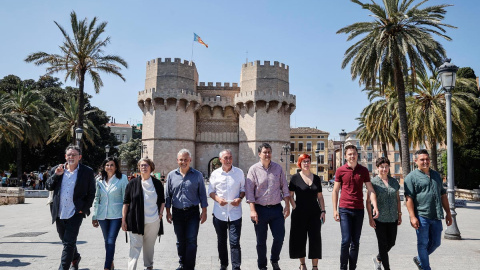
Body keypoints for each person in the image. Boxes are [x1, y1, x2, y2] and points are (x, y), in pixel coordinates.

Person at [46, 144, 96, 270]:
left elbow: (91, 193)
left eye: (74, 155)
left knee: (68, 243)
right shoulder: (57, 169)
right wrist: (56, 175)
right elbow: (48, 186)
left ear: (79, 157)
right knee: (66, 241)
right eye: (69, 154)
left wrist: (83, 209)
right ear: (65, 156)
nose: (71, 157)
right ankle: (75, 257)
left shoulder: (87, 172)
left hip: (75, 212)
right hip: (59, 212)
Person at [332, 144, 378, 270]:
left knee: (355, 242)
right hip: (344, 209)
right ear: (345, 156)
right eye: (349, 154)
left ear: (357, 155)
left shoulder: (363, 171)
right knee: (346, 240)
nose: (352, 156)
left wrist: (375, 206)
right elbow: (335, 191)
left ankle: (352, 267)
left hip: (359, 210)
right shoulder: (340, 170)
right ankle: (343, 267)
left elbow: (370, 189)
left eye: (354, 154)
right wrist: (335, 210)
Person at [404, 149, 452, 270]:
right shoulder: (411, 177)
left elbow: (443, 195)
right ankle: (426, 267)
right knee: (423, 244)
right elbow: (409, 198)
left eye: (427, 159)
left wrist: (448, 214)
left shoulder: (436, 175)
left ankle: (419, 259)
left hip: (436, 215)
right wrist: (412, 217)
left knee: (436, 243)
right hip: (421, 216)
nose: (425, 161)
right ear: (416, 161)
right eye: (422, 159)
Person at [245, 143, 291, 270]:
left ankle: (274, 259)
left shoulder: (278, 168)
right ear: (259, 154)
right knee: (261, 241)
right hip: (260, 210)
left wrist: (287, 206)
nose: (267, 154)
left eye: (269, 152)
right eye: (265, 152)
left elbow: (285, 188)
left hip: (276, 209)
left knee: (279, 237)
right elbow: (249, 192)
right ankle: (262, 266)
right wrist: (252, 210)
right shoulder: (253, 170)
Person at [165, 149, 208, 270]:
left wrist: (204, 212)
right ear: (177, 161)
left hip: (193, 212)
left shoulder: (197, 175)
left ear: (190, 160)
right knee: (180, 241)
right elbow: (168, 195)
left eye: (186, 159)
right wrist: (168, 212)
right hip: (177, 212)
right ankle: (182, 263)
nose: (183, 162)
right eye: (181, 160)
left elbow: (203, 195)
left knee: (191, 240)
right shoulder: (171, 175)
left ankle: (190, 266)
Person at [122, 158, 164, 270]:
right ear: (139, 168)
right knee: (134, 246)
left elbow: (162, 201)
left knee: (149, 246)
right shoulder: (132, 183)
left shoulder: (157, 184)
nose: (143, 167)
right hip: (135, 220)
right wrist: (123, 220)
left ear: (151, 167)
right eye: (141, 165)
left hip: (153, 220)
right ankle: (131, 268)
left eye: (146, 165)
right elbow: (126, 203)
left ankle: (149, 265)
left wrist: (160, 215)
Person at [208, 149, 245, 270]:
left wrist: (239, 199)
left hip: (235, 213)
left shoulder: (239, 173)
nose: (228, 160)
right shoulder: (215, 174)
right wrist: (218, 199)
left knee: (235, 242)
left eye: (230, 157)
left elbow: (243, 190)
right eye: (226, 158)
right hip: (220, 213)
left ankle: (236, 267)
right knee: (221, 241)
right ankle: (223, 264)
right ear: (220, 160)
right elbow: (211, 191)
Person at [289, 153, 326, 270]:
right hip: (299, 214)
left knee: (315, 239)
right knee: (300, 239)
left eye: (308, 161)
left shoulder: (316, 178)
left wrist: (323, 211)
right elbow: (290, 195)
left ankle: (315, 266)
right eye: (304, 161)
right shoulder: (294, 178)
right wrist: (294, 206)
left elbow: (320, 196)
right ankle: (302, 264)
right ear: (300, 163)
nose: (306, 163)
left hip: (315, 214)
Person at [92, 157, 128, 270]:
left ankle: (106, 267)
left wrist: (124, 218)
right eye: (107, 165)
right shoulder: (99, 180)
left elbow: (126, 199)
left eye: (112, 165)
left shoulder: (122, 179)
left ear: (116, 167)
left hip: (116, 215)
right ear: (104, 167)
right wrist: (94, 216)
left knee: (111, 240)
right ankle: (110, 262)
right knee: (106, 240)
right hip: (102, 215)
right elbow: (97, 198)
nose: (109, 167)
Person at [366, 157, 401, 270]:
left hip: (392, 217)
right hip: (379, 219)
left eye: (386, 167)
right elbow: (368, 201)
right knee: (382, 244)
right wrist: (370, 218)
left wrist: (399, 214)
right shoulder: (373, 183)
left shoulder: (394, 182)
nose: (384, 169)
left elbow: (397, 199)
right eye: (382, 167)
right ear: (377, 168)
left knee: (391, 242)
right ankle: (386, 267)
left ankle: (378, 258)